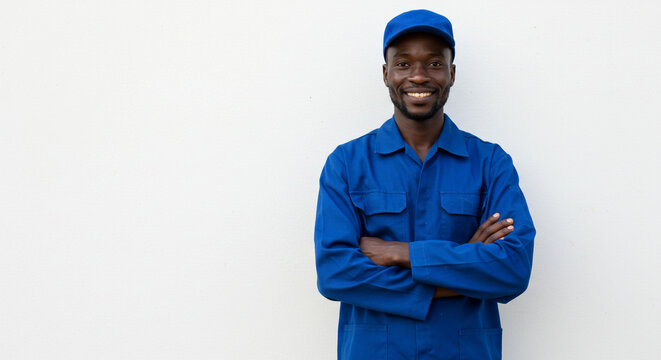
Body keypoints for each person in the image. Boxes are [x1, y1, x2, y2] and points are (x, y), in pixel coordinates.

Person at [314, 9, 535, 360]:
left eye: (434, 63)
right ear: (386, 74)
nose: (418, 76)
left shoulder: (491, 163)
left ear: (452, 73)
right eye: (403, 64)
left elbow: (511, 269)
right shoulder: (346, 163)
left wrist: (399, 253)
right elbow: (335, 274)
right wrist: (463, 270)